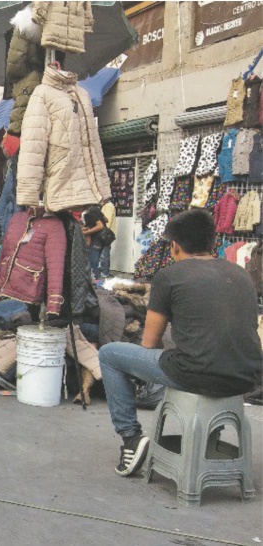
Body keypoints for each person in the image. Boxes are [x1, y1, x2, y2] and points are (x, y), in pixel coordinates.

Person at [98, 209, 262, 477]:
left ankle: (130, 439)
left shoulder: (169, 275)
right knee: (203, 356)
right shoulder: (242, 274)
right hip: (247, 377)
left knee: (109, 354)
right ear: (214, 242)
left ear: (174, 245)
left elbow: (149, 343)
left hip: (195, 372)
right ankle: (209, 439)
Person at [82, 204, 107, 280]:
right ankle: (99, 277)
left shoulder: (89, 213)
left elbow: (100, 226)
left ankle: (94, 280)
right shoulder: (96, 210)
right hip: (103, 238)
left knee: (93, 261)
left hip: (96, 239)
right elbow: (106, 220)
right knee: (100, 259)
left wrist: (86, 232)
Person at [100, 199, 116, 278]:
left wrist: (102, 232)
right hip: (105, 233)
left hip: (106, 234)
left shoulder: (108, 206)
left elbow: (107, 221)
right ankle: (104, 272)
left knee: (104, 253)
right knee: (104, 253)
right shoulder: (105, 206)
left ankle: (105, 273)